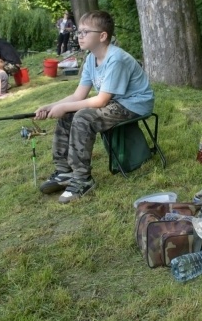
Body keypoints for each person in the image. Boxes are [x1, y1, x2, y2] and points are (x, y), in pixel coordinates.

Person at [34, 10, 155, 203]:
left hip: (134, 104)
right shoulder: (91, 58)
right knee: (69, 114)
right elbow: (78, 95)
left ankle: (83, 180)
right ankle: (64, 172)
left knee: (83, 117)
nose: (78, 36)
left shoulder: (116, 59)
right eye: (78, 32)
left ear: (102, 36)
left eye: (84, 32)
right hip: (116, 101)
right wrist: (51, 106)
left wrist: (66, 107)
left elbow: (101, 101)